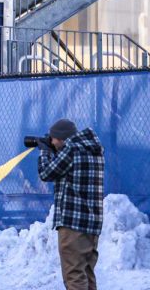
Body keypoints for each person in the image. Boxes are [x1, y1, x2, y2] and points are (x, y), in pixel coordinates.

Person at [37, 119, 105, 290]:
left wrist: (44, 151)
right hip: (91, 223)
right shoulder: (93, 149)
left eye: (53, 139)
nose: (51, 142)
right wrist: (55, 150)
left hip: (72, 223)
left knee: (73, 275)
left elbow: (46, 173)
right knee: (86, 274)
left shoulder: (71, 150)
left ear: (62, 138)